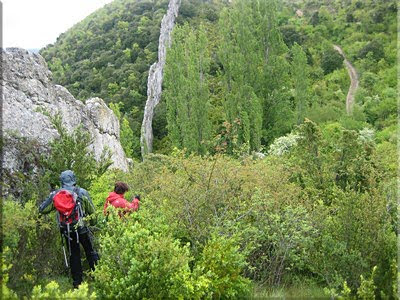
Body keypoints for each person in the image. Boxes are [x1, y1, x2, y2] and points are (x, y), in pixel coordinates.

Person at [39, 170, 99, 289]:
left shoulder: (56, 195)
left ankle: (77, 283)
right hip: (81, 228)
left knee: (74, 255)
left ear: (61, 181)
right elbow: (92, 212)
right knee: (90, 251)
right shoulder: (81, 192)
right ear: (73, 179)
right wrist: (93, 223)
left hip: (67, 230)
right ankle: (98, 276)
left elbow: (42, 209)